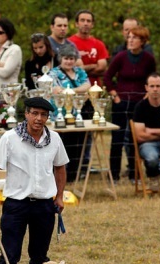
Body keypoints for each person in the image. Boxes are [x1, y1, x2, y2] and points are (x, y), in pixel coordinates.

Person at [0, 96, 68, 264]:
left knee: (40, 258)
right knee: (9, 255)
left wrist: (59, 196)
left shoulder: (54, 139)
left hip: (44, 205)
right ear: (26, 114)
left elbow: (60, 167)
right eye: (35, 114)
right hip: (16, 204)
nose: (39, 118)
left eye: (43, 115)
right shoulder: (10, 138)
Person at [104, 25, 156, 183]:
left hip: (139, 105)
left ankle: (136, 174)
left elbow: (153, 78)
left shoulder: (148, 59)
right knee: (117, 140)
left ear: (143, 41)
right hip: (121, 103)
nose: (130, 40)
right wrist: (115, 96)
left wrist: (147, 97)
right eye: (129, 37)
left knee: (137, 139)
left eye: (135, 38)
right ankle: (114, 175)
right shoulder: (120, 57)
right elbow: (107, 77)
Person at [50, 44, 90, 182]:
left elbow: (88, 85)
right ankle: (58, 176)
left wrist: (71, 91)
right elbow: (56, 89)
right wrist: (78, 91)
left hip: (77, 113)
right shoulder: (54, 73)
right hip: (58, 114)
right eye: (66, 58)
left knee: (77, 145)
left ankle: (74, 175)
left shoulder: (80, 71)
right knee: (61, 145)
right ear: (61, 58)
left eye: (72, 58)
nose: (69, 61)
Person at [68, 10, 109, 86]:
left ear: (92, 24)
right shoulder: (69, 43)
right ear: (77, 24)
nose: (85, 23)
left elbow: (102, 68)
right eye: (82, 20)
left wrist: (82, 69)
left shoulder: (99, 44)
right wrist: (93, 65)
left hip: (95, 90)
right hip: (74, 88)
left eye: (88, 21)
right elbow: (69, 69)